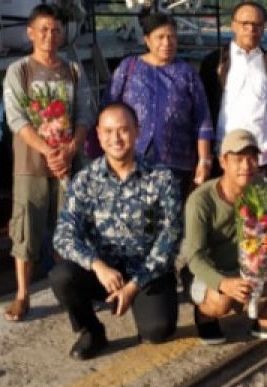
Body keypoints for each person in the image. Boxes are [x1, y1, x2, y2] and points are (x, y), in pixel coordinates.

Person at [51, 103, 182, 360]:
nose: (116, 138)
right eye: (108, 131)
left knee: (158, 330)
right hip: (105, 274)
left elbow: (170, 240)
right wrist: (97, 265)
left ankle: (141, 306)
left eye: (123, 130)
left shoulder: (161, 177)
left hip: (146, 273)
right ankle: (91, 331)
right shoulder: (85, 180)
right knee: (61, 276)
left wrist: (133, 287)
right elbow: (63, 235)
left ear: (137, 132)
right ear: (98, 135)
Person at [1, 3, 95, 322]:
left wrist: (69, 150)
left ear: (62, 34)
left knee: (68, 229)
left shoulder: (73, 70)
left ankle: (69, 291)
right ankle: (23, 295)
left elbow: (85, 113)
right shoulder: (20, 71)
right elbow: (16, 117)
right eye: (42, 29)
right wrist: (48, 150)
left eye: (55, 30)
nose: (49, 36)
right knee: (26, 228)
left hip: (69, 163)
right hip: (31, 164)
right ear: (30, 33)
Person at [180, 129, 267, 345]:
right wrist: (223, 283)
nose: (246, 166)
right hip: (214, 272)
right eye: (238, 159)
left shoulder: (259, 185)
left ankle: (266, 319)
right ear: (223, 161)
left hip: (250, 265)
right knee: (222, 302)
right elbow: (194, 257)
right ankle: (204, 314)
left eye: (251, 158)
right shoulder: (201, 200)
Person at [104, 11, 214, 193]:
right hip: (132, 158)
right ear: (147, 40)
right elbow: (107, 108)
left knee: (171, 217)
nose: (167, 43)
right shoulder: (129, 67)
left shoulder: (187, 73)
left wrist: (204, 160)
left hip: (176, 164)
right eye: (160, 37)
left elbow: (202, 120)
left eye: (171, 37)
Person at [199, 1, 267, 181]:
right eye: (245, 24)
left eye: (257, 25)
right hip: (224, 154)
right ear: (233, 25)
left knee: (262, 208)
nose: (251, 29)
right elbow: (203, 109)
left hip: (263, 156)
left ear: (264, 28)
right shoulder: (213, 62)